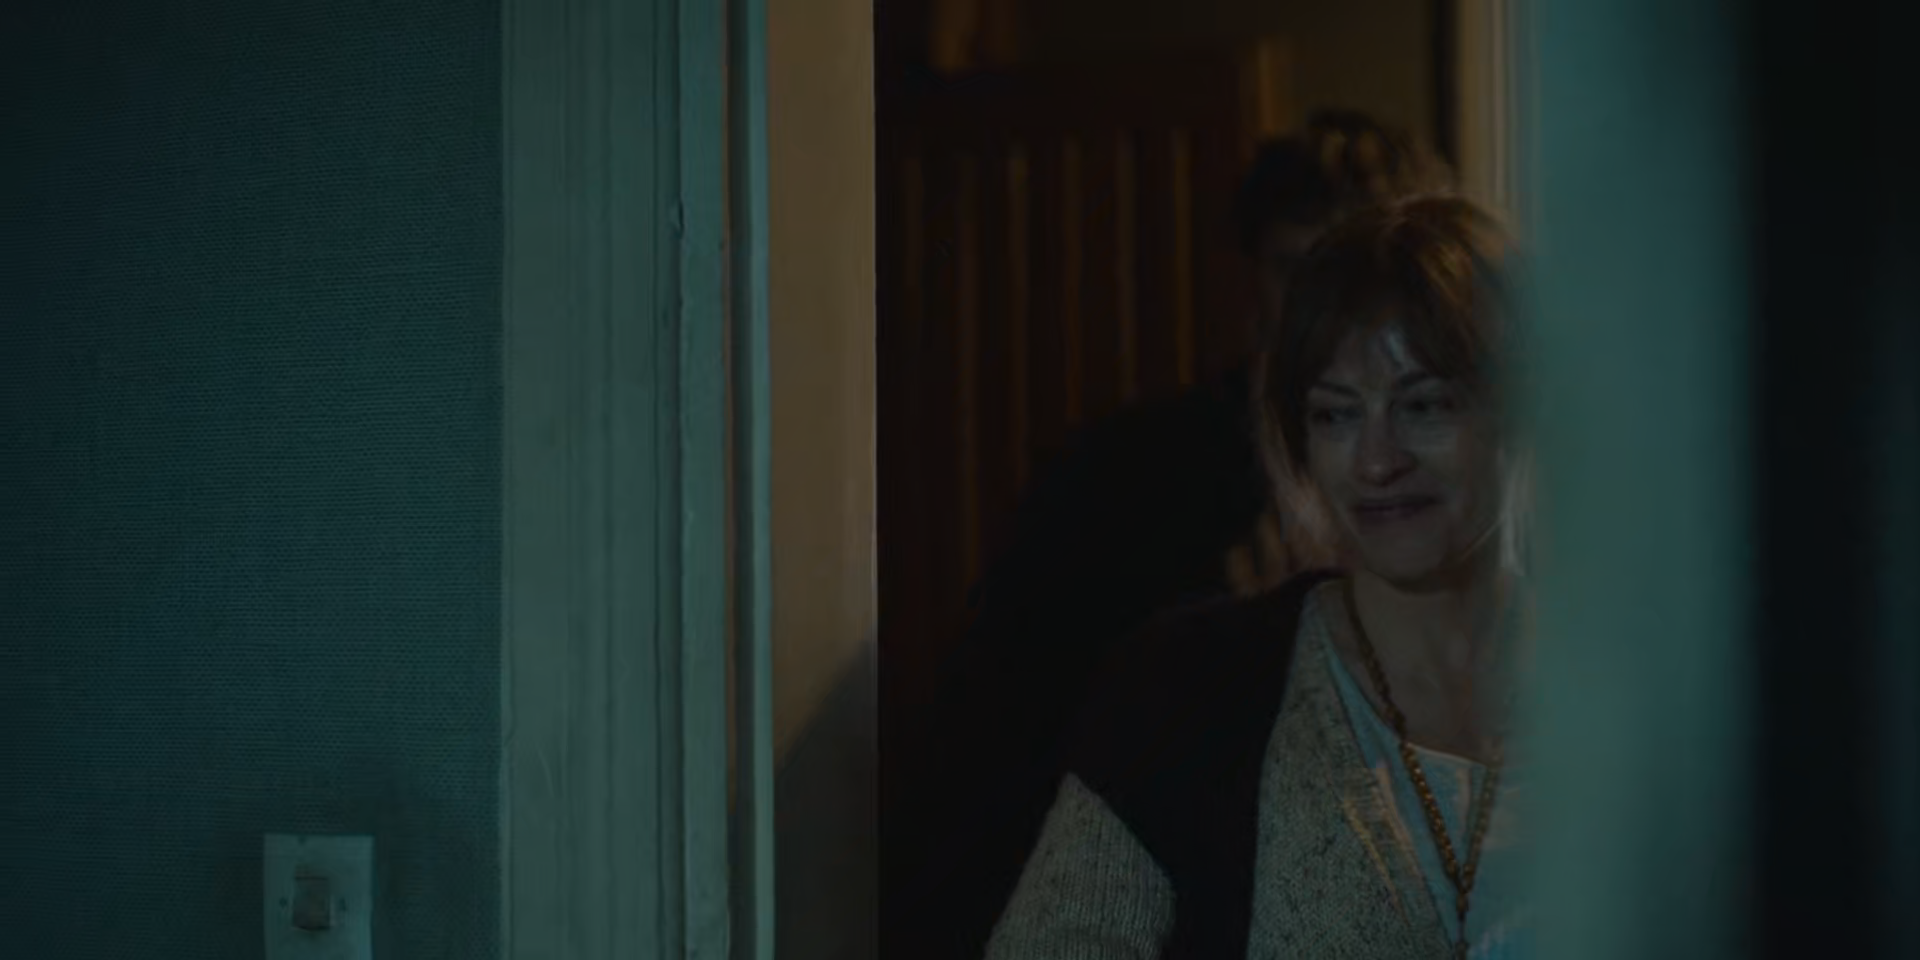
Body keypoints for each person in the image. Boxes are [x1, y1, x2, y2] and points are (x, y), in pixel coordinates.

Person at [883, 112, 1450, 960]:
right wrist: (1250, 644)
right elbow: (996, 750)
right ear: (1252, 283)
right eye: (1294, 270)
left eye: (1357, 278)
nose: (1323, 312)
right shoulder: (1122, 485)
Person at [984, 193, 1532, 958]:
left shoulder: (1650, 706)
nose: (1377, 461)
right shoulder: (1189, 695)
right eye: (1336, 415)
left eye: (1425, 405)